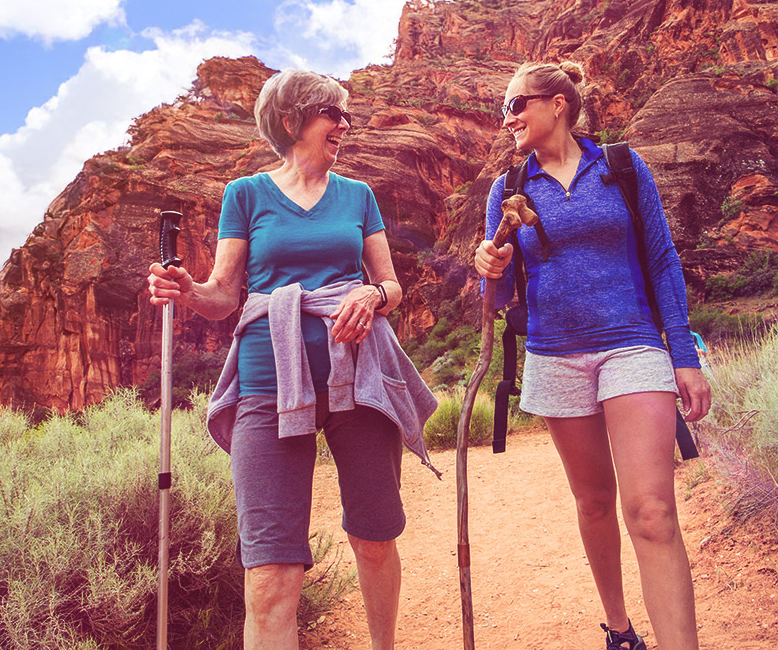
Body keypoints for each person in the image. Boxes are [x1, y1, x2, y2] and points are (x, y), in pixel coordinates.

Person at [148, 69, 438, 650]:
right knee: (269, 573)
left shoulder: (359, 196)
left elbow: (392, 284)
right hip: (266, 383)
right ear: (292, 120)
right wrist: (187, 292)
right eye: (335, 114)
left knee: (375, 538)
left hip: (359, 380)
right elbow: (224, 295)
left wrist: (373, 294)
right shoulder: (246, 194)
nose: (345, 125)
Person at [473, 60, 711, 650]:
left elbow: (662, 261)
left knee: (651, 510)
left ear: (557, 103)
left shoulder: (624, 168)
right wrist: (489, 270)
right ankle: (620, 628)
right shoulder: (508, 190)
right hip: (555, 355)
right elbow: (499, 299)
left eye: (515, 105)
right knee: (595, 503)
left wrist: (682, 353)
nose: (507, 118)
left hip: (632, 344)